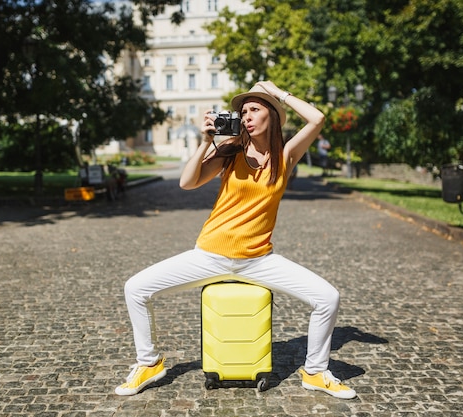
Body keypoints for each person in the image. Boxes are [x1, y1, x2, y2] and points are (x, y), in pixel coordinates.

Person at [114, 81, 356, 400]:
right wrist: (205, 142)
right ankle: (148, 363)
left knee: (327, 297)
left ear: (273, 115)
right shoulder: (231, 150)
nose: (247, 116)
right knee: (136, 288)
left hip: (259, 261)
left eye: (255, 109)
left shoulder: (285, 156)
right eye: (243, 112)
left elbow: (317, 119)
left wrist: (277, 92)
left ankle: (315, 372)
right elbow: (188, 183)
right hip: (209, 255)